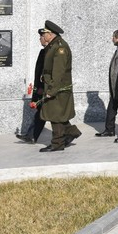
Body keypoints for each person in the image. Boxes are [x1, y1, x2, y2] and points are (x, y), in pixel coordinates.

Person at [38, 21, 82, 152]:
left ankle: (57, 144)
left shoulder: (60, 48)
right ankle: (72, 132)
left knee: (55, 116)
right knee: (57, 115)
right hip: (53, 86)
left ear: (50, 34)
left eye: (44, 34)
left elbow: (58, 72)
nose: (42, 36)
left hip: (58, 88)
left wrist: (52, 90)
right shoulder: (53, 45)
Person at [16, 30, 50, 144]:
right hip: (41, 87)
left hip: (46, 88)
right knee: (42, 112)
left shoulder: (50, 52)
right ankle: (31, 135)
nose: (40, 39)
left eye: (41, 36)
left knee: (53, 115)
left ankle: (70, 132)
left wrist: (43, 87)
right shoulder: (43, 52)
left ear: (46, 37)